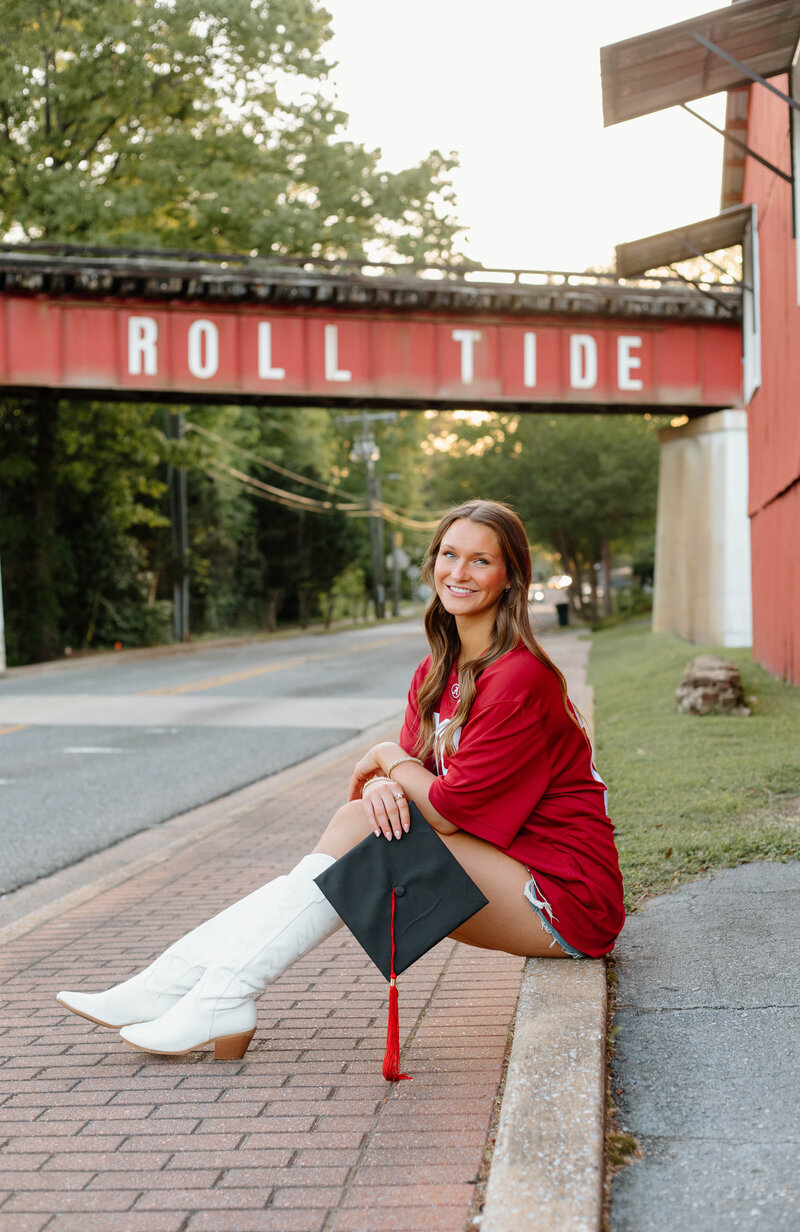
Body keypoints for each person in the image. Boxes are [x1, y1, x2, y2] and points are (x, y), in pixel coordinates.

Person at [56, 499, 624, 1060]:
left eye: (481, 560)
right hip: (506, 865)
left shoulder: (520, 677)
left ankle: (194, 991)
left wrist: (384, 759)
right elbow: (410, 778)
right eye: (450, 554)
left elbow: (448, 809)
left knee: (364, 832)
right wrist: (384, 781)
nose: (460, 572)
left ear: (510, 577)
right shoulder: (435, 672)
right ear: (433, 565)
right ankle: (195, 989)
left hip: (566, 897)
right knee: (363, 819)